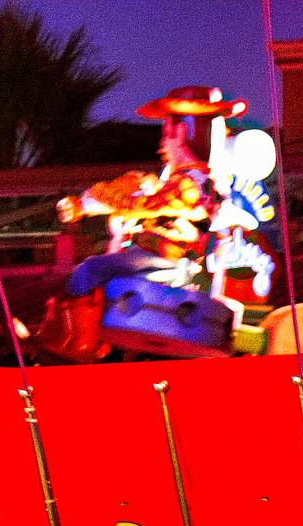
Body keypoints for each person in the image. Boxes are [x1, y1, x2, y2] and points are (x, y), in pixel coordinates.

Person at [37, 86, 243, 361]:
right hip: (161, 256)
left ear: (182, 133)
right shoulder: (193, 180)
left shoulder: (194, 184)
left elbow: (152, 204)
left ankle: (74, 347)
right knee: (104, 273)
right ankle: (87, 341)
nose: (162, 146)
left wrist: (106, 201)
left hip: (165, 257)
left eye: (166, 134)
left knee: (89, 270)